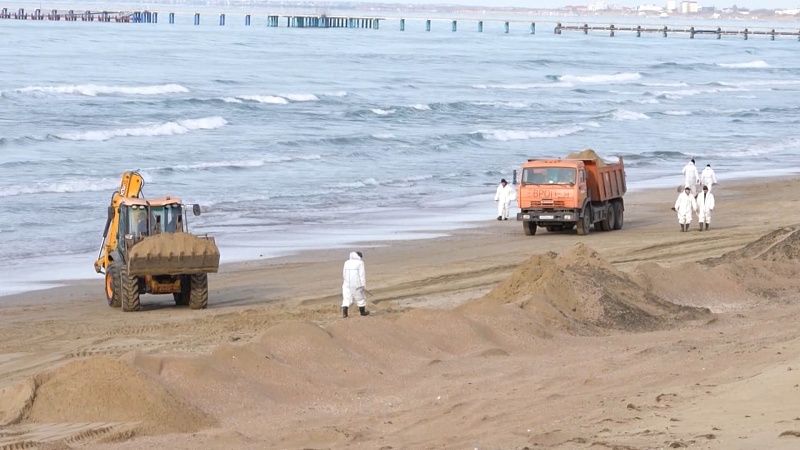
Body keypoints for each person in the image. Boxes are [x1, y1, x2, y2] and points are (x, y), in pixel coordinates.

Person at [341, 251, 368, 318]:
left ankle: (345, 314)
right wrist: (363, 285)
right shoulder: (360, 263)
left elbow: (344, 273)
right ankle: (362, 313)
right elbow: (362, 275)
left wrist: (345, 281)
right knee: (360, 298)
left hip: (347, 283)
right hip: (357, 284)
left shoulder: (346, 262)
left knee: (346, 298)